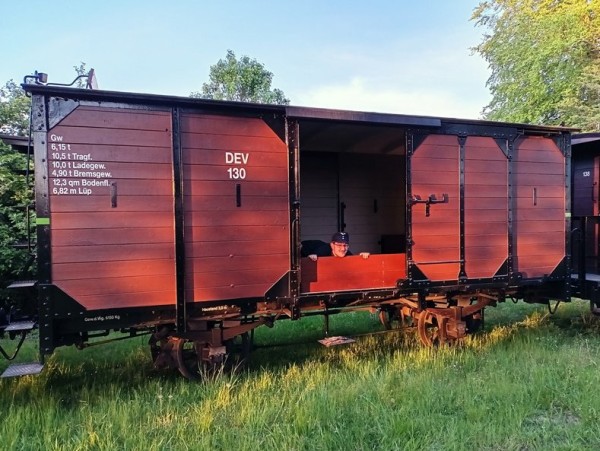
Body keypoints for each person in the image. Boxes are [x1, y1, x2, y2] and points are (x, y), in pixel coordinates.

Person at [303, 232, 370, 261]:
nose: (343, 248)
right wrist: (311, 257)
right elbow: (310, 259)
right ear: (332, 245)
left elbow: (352, 260)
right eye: (339, 245)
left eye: (345, 245)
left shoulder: (346, 252)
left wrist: (362, 256)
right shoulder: (322, 251)